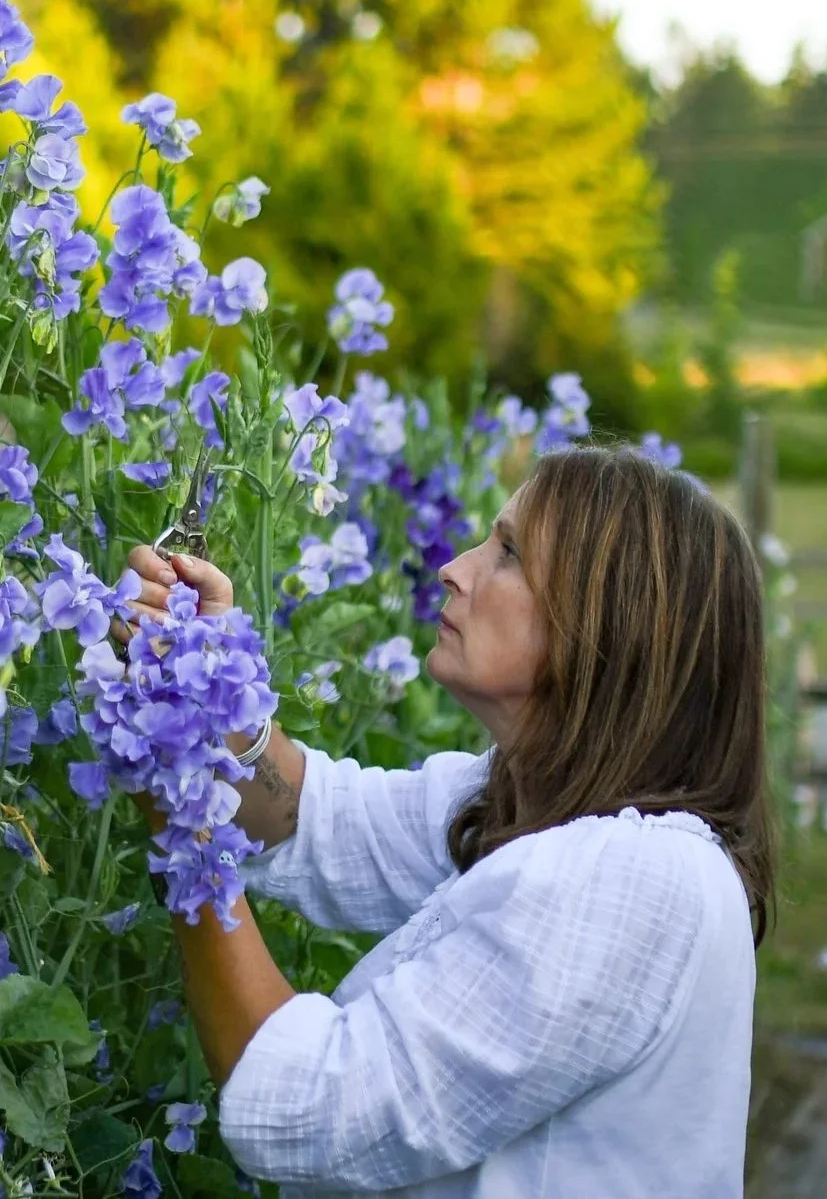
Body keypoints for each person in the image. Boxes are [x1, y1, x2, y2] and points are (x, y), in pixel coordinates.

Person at [121, 445, 775, 1197]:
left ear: (606, 627)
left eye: (508, 554)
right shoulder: (530, 800)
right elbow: (312, 818)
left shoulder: (630, 884)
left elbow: (307, 1110)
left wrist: (191, 837)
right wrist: (209, 672)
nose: (454, 569)